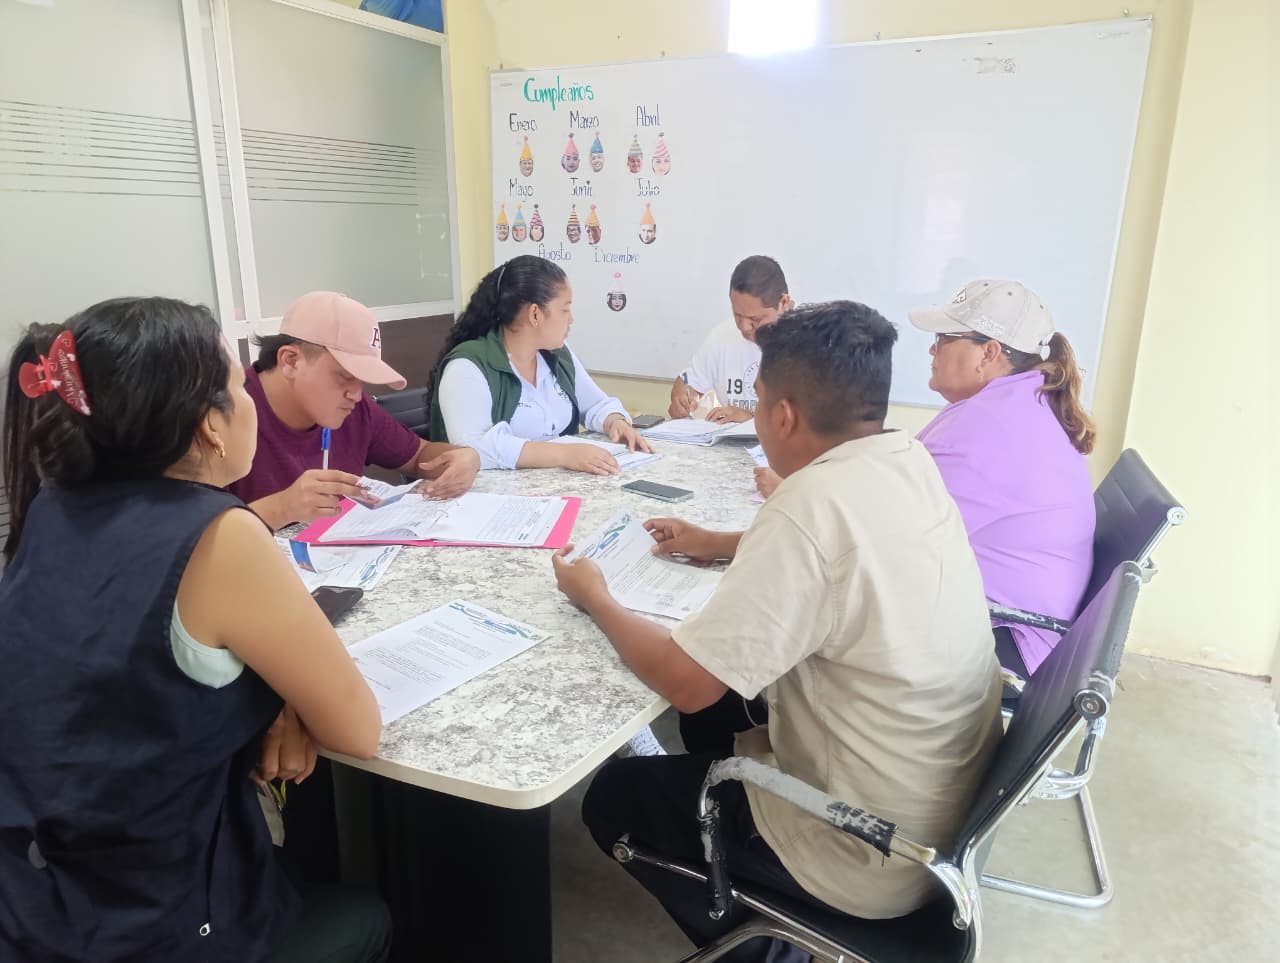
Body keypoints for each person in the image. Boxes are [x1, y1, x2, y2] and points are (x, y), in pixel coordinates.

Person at [554, 301, 1002, 962]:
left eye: (759, 401)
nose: (758, 416)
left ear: (783, 416)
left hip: (863, 850)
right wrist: (718, 542)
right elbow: (848, 556)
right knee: (722, 717)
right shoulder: (905, 457)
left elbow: (687, 683)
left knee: (616, 797)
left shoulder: (807, 507)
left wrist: (595, 596)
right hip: (938, 818)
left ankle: (771, 946)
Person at [0, 298, 391, 962]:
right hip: (155, 924)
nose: (250, 400)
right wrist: (287, 698)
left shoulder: (51, 508)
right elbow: (358, 729)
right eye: (239, 385)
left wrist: (277, 701)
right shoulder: (220, 533)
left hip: (42, 901)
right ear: (211, 425)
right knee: (367, 917)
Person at [908, 279, 1097, 679]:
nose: (932, 350)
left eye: (943, 339)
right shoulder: (1019, 401)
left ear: (989, 352)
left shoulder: (989, 421)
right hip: (1023, 627)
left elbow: (898, 531)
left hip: (1007, 639)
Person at [230, 290, 479, 530]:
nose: (356, 394)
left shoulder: (356, 410)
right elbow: (204, 531)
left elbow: (418, 456)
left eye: (362, 380)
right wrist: (282, 508)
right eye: (345, 376)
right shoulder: (223, 417)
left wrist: (463, 457)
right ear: (291, 361)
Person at [425, 255, 652, 475]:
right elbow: (473, 447)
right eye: (565, 310)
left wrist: (615, 421)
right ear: (535, 314)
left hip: (554, 488)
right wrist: (564, 455)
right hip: (490, 495)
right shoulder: (467, 366)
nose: (571, 319)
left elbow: (595, 404)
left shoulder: (557, 354)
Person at [668, 255, 793, 426]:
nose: (744, 327)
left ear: (783, 303)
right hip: (729, 442)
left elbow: (814, 425)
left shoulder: (811, 341)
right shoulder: (722, 336)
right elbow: (688, 383)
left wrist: (750, 418)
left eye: (755, 319)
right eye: (738, 316)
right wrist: (683, 398)